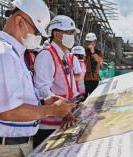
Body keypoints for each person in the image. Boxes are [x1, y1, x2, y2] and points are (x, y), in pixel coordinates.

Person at [0, 0, 77, 157]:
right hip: (8, 148)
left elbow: (13, 99)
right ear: (19, 21)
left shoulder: (12, 53)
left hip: (15, 144)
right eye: (37, 32)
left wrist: (42, 101)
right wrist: (52, 110)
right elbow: (7, 111)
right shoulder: (4, 53)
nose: (38, 37)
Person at [34, 15, 82, 148]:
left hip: (64, 119)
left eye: (72, 32)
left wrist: (75, 103)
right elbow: (42, 88)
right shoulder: (46, 55)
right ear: (57, 34)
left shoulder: (64, 55)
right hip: (50, 125)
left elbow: (67, 83)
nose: (72, 35)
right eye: (69, 32)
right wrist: (65, 111)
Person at [84, 33, 104, 99]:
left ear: (94, 42)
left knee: (93, 99)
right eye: (87, 42)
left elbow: (100, 61)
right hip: (84, 80)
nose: (88, 43)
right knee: (84, 99)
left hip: (94, 80)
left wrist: (93, 52)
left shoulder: (98, 52)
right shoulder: (84, 52)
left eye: (90, 42)